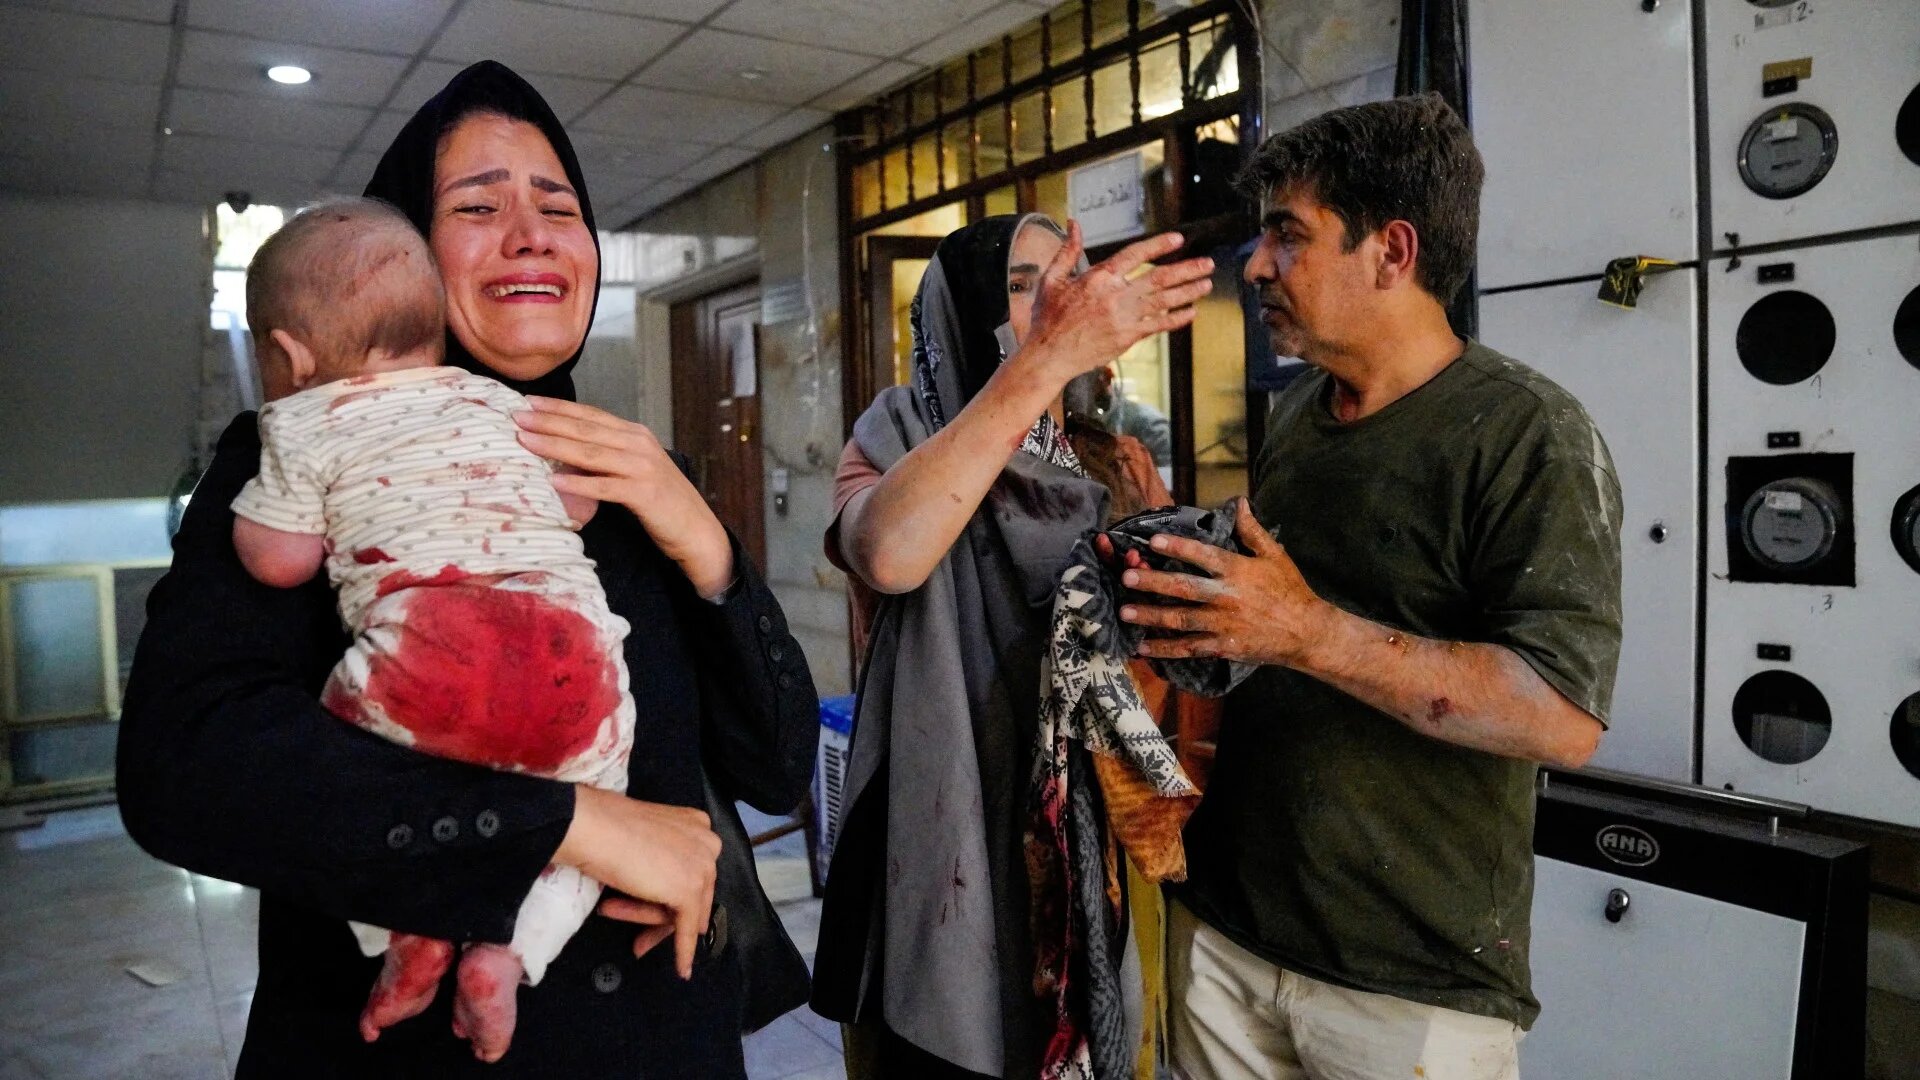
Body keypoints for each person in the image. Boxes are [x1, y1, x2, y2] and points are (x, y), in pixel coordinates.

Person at [117, 61, 818, 1078]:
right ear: (404, 256)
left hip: (668, 1049)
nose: (530, 234)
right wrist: (572, 824)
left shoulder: (628, 465)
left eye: (558, 207)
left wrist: (701, 539)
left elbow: (777, 764)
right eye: (479, 206)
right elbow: (188, 767)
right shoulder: (311, 443)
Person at [1116, 94, 1623, 1079]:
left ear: (1392, 251)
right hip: (1228, 935)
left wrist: (1306, 634)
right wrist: (1172, 537)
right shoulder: (1302, 413)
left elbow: (1561, 717)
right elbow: (1278, 618)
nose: (1255, 265)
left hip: (1409, 987)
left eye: (1286, 236)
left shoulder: (1529, 433)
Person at [226, 196, 646, 1061]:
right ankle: (510, 952)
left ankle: (407, 935)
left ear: (287, 355)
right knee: (602, 793)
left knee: (355, 778)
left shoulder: (300, 419)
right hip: (578, 658)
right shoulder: (497, 403)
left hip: (430, 658)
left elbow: (279, 560)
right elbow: (573, 501)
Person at [810, 213, 1215, 1080]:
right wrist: (1042, 364)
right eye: (1023, 284)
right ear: (960, 311)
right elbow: (890, 551)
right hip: (936, 819)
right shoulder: (895, 436)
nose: (1054, 302)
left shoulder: (1106, 459)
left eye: (1065, 279)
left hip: (1082, 826)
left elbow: (1164, 656)